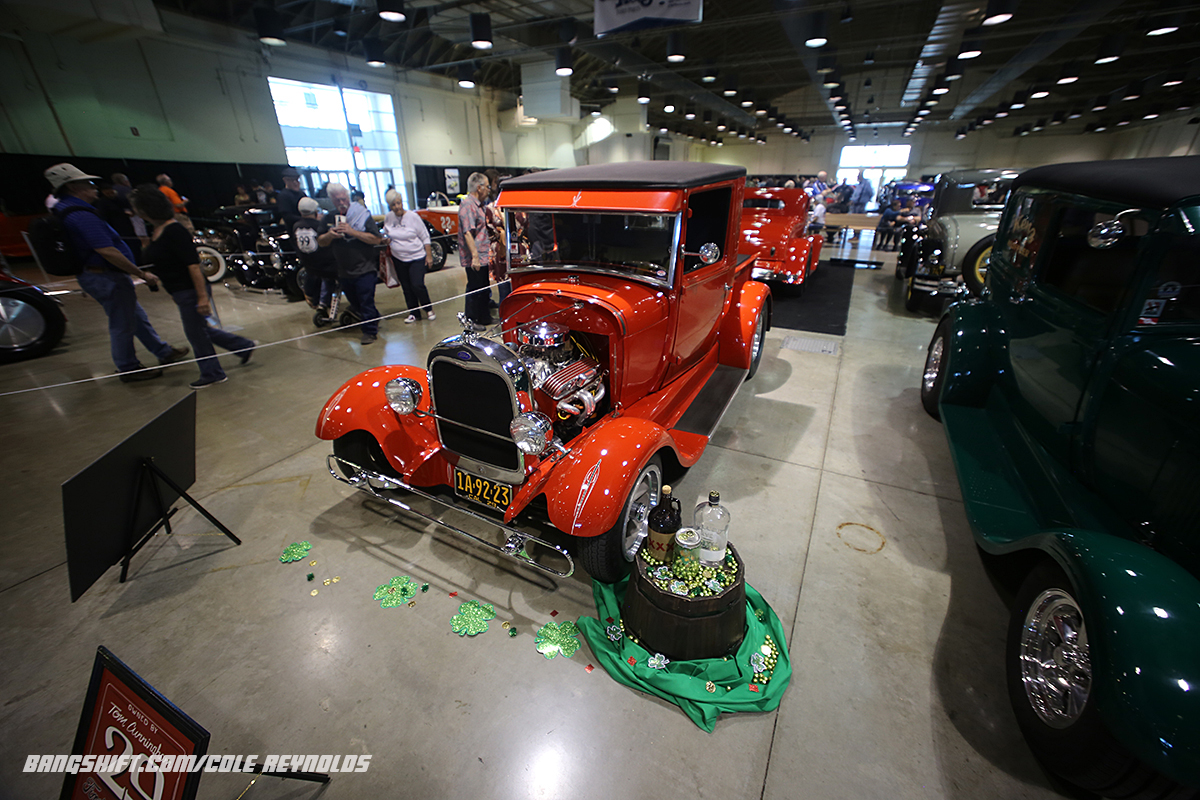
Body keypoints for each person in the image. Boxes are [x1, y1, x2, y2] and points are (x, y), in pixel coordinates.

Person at [44, 163, 187, 382]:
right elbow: (107, 250)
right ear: (73, 187)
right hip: (105, 275)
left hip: (99, 275)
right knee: (122, 323)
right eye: (89, 184)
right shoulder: (82, 215)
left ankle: (163, 351)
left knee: (136, 317)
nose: (94, 188)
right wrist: (141, 274)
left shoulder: (65, 210)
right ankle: (128, 367)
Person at [131, 185, 256, 389]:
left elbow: (193, 265)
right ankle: (242, 346)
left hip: (190, 289)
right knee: (200, 330)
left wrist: (202, 297)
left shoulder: (174, 230)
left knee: (196, 333)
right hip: (180, 290)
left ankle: (213, 372)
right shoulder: (158, 230)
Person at [319, 182, 383, 345]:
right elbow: (320, 241)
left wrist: (351, 231)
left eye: (343, 199)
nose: (341, 203)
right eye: (337, 200)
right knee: (355, 303)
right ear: (332, 201)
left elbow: (376, 238)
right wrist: (330, 235)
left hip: (365, 267)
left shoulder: (362, 215)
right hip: (344, 270)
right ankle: (374, 318)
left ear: (348, 197)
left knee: (366, 300)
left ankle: (370, 331)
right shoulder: (329, 218)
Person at [382, 189, 434, 323]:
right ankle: (413, 312)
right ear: (390, 206)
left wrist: (429, 256)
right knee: (406, 287)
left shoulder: (413, 217)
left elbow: (425, 236)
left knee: (417, 284)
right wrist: (386, 239)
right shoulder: (389, 217)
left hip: (416, 257)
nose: (397, 207)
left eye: (398, 203)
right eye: (393, 205)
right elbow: (386, 233)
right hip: (399, 258)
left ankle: (428, 308)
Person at [457, 171, 492, 327]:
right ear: (479, 187)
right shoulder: (468, 205)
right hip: (475, 257)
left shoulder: (480, 205)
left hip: (484, 255)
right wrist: (475, 257)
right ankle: (472, 320)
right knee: (475, 289)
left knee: (484, 289)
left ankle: (484, 317)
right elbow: (467, 233)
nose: (489, 190)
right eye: (487, 186)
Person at [294, 197, 339, 316]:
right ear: (315, 212)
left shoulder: (296, 227)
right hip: (327, 267)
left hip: (309, 267)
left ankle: (322, 302)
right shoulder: (319, 226)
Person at [95, 180, 142, 263]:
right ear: (103, 192)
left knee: (134, 245)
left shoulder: (120, 199)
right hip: (115, 228)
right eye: (107, 192)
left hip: (127, 227)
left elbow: (130, 207)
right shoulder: (102, 203)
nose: (110, 193)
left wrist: (130, 212)